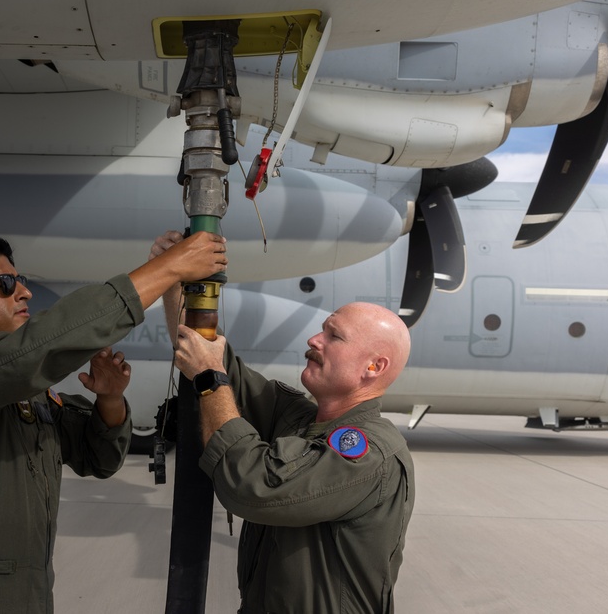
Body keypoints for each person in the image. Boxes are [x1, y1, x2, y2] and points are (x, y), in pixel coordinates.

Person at [0, 232, 226, 614]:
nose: (24, 293)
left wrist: (110, 399)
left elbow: (97, 458)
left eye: (21, 281)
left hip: (31, 595)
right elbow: (40, 346)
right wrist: (168, 268)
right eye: (4, 284)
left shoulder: (14, 392)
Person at [152, 230, 415, 614]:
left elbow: (253, 486)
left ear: (373, 367)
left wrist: (210, 378)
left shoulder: (368, 453)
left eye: (333, 337)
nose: (314, 340)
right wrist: (174, 278)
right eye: (322, 329)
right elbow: (211, 358)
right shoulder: (300, 418)